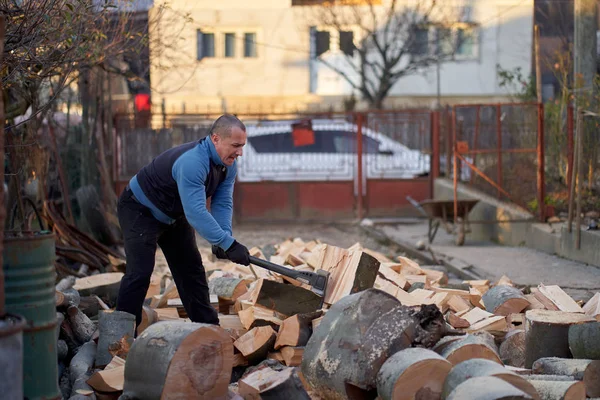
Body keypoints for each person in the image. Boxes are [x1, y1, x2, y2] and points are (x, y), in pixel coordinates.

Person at [116, 114, 251, 328]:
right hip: (140, 209)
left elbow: (222, 202)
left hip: (173, 215)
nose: (240, 152)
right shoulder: (193, 162)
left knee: (191, 269)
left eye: (242, 146)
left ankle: (208, 329)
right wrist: (229, 245)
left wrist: (223, 238)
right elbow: (196, 212)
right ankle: (119, 336)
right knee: (140, 272)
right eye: (235, 145)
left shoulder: (228, 165)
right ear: (216, 139)